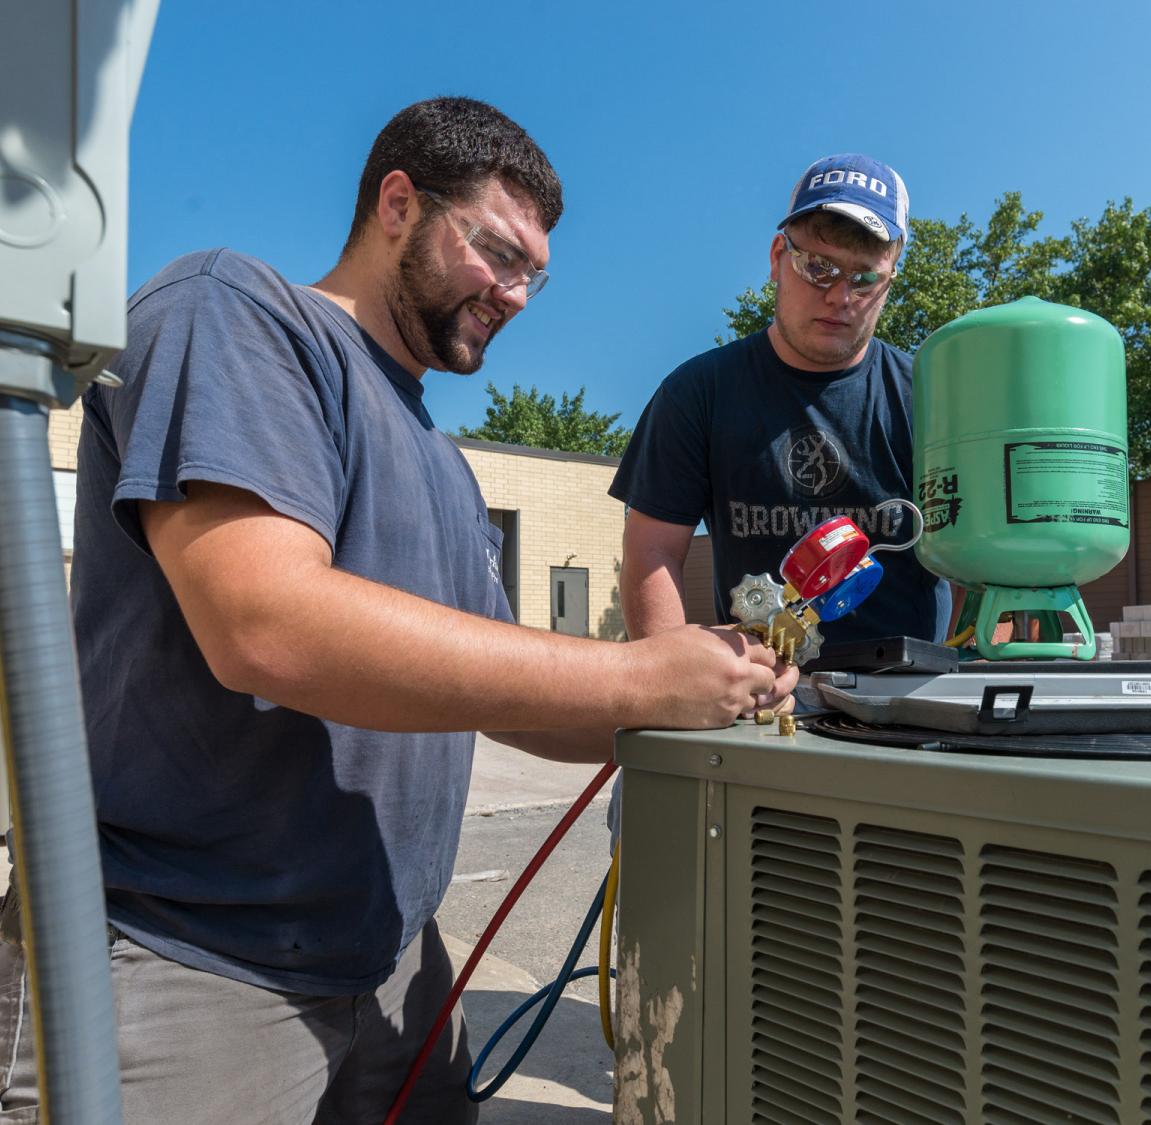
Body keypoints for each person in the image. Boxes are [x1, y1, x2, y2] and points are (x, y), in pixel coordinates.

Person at [0, 97, 792, 1125]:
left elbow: (505, 693)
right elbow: (265, 624)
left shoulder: (441, 463)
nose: (513, 293)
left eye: (533, 275)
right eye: (496, 252)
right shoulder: (236, 312)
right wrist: (639, 672)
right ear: (398, 203)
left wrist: (706, 698)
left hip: (396, 966)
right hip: (186, 960)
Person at [609, 153, 952, 666]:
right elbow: (651, 553)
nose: (840, 295)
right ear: (777, 256)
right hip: (761, 699)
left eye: (865, 279)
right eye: (818, 266)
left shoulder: (932, 398)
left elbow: (979, 562)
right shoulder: (697, 393)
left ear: (891, 279)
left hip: (914, 707)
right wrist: (671, 680)